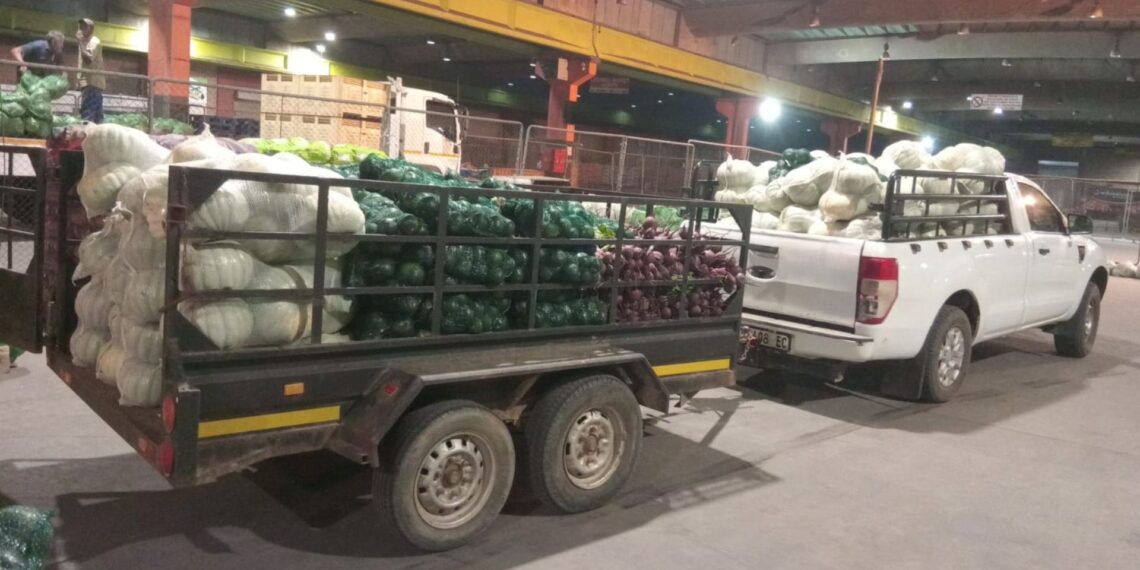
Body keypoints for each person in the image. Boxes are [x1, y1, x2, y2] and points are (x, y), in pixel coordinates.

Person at [76, 19, 105, 123]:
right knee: (96, 115)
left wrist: (79, 42)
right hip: (86, 82)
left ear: (91, 29)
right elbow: (82, 66)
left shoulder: (94, 41)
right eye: (80, 26)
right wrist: (80, 82)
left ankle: (86, 135)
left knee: (88, 113)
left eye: (85, 26)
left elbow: (88, 60)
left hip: (93, 83)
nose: (81, 28)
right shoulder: (84, 43)